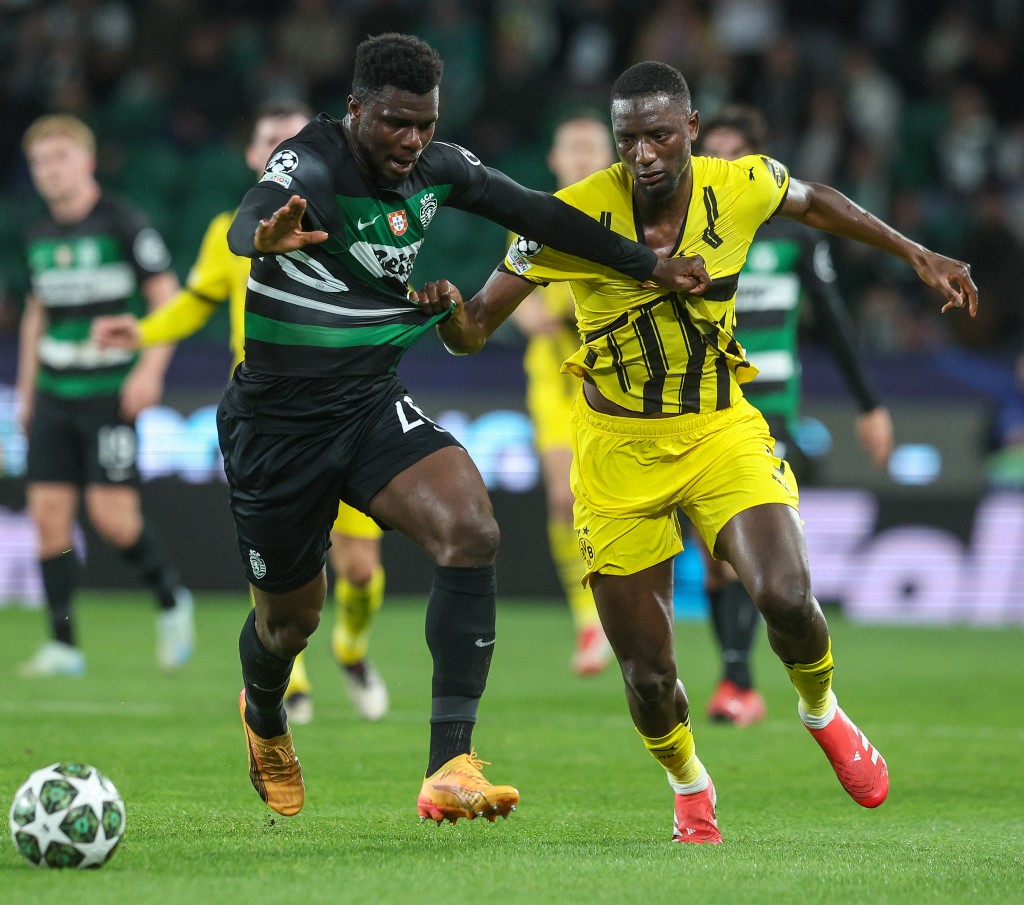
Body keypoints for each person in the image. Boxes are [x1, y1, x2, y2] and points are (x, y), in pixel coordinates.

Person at [410, 61, 977, 842]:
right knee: (650, 676)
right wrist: (446, 313)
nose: (642, 153)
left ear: (692, 129)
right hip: (615, 454)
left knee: (786, 596)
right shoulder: (569, 215)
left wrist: (914, 252)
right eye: (627, 139)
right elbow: (475, 331)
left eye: (658, 135)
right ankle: (690, 782)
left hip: (719, 428)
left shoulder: (739, 183)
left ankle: (823, 709)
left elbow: (817, 204)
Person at [213, 34, 709, 821]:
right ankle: (264, 712)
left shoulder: (438, 167)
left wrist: (646, 264)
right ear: (354, 111)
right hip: (276, 425)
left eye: (425, 124)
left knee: (470, 528)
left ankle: (450, 761)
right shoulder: (308, 162)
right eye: (395, 124)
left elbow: (541, 214)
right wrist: (262, 238)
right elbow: (251, 215)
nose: (413, 141)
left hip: (369, 404)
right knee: (289, 621)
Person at [93, 103, 389, 723]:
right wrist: (144, 334)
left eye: (293, 138)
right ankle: (296, 680)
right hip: (270, 420)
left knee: (359, 569)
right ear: (256, 158)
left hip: (348, 411)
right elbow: (195, 302)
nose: (280, 148)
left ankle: (352, 649)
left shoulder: (353, 223)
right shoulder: (228, 230)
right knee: (286, 561)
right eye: (267, 140)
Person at [693, 104, 896, 727]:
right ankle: (738, 677)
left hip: (771, 405)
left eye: (733, 155)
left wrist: (869, 405)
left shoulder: (791, 235)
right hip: (703, 400)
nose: (720, 166)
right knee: (714, 556)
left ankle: (738, 683)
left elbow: (832, 320)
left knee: (740, 547)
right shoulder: (688, 230)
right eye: (713, 154)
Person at [15, 114, 195, 678]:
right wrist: (24, 393)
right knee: (48, 518)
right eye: (41, 162)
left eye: (60, 158)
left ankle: (171, 599)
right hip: (53, 391)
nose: (50, 171)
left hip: (108, 392)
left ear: (87, 162)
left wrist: (150, 371)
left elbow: (167, 296)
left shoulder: (122, 222)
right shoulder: (38, 234)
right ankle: (64, 645)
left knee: (113, 518)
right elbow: (35, 315)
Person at [511, 113, 616, 676]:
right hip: (555, 382)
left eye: (590, 147)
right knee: (562, 498)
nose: (579, 156)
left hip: (615, 380)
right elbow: (516, 292)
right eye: (570, 147)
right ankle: (587, 620)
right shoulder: (533, 219)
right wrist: (530, 316)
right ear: (555, 160)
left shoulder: (623, 221)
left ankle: (631, 609)